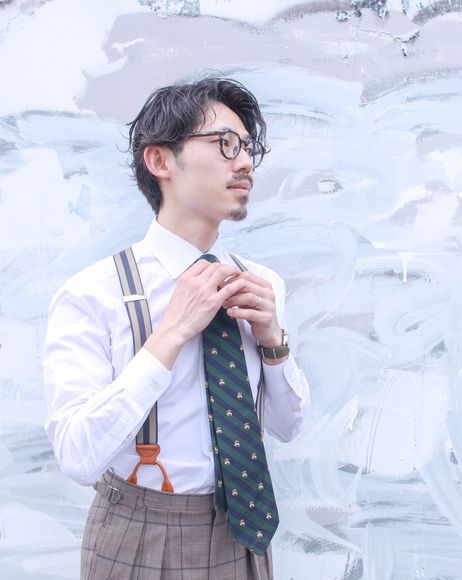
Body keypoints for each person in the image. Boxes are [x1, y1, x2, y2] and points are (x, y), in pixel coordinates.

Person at [43, 77, 310, 580]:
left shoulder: (261, 285)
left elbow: (288, 427)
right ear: (160, 160)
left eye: (247, 148)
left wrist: (274, 343)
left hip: (245, 531)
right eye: (225, 144)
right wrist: (169, 335)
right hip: (140, 533)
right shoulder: (94, 293)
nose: (245, 162)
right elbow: (77, 456)